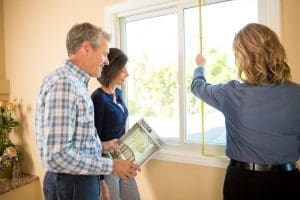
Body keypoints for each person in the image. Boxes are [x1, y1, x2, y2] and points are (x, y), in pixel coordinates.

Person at [191, 23, 300, 200]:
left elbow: (197, 86)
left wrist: (200, 66)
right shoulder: (297, 93)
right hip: (288, 181)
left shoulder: (231, 93)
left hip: (245, 184)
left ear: (244, 58)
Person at [35, 23, 140, 200]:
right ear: (86, 49)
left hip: (80, 180)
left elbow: (76, 143)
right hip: (71, 184)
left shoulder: (76, 83)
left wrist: (102, 146)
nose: (106, 61)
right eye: (105, 54)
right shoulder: (65, 84)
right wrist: (111, 166)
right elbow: (57, 156)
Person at [91, 48, 141, 200]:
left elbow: (119, 127)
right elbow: (93, 141)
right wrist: (100, 182)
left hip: (122, 158)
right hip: (106, 162)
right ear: (111, 70)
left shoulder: (117, 93)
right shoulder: (98, 99)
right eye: (122, 70)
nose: (127, 74)